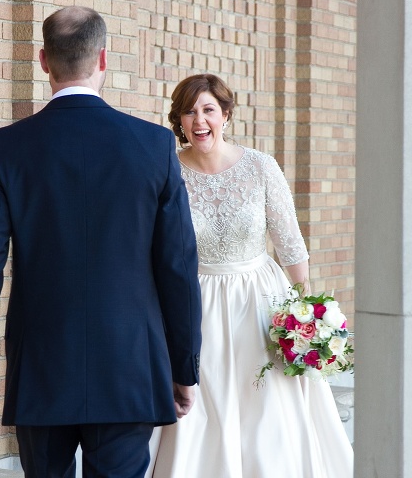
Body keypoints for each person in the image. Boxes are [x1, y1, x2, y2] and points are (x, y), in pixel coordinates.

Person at [0, 6, 202, 478]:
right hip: (130, 362)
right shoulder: (153, 146)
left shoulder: (6, 148)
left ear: (43, 61)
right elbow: (178, 267)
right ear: (103, 58)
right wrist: (185, 365)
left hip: (42, 363)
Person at [148, 74, 353, 478]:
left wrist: (305, 309)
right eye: (189, 111)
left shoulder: (260, 166)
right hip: (197, 299)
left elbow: (289, 242)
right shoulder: (167, 170)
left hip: (260, 299)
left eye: (208, 110)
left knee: (267, 401)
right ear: (179, 120)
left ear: (225, 114)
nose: (199, 120)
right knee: (204, 401)